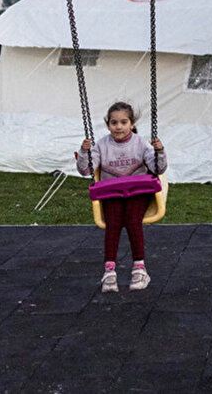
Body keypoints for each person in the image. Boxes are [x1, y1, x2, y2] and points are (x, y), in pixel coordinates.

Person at [77, 101, 167, 293]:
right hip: (112, 193)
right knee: (113, 223)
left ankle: (139, 268)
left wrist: (159, 151)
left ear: (131, 124)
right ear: (108, 124)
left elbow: (158, 168)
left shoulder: (141, 143)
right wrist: (84, 152)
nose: (118, 127)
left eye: (123, 122)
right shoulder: (101, 145)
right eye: (114, 122)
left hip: (138, 192)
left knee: (133, 221)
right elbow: (86, 170)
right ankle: (109, 272)